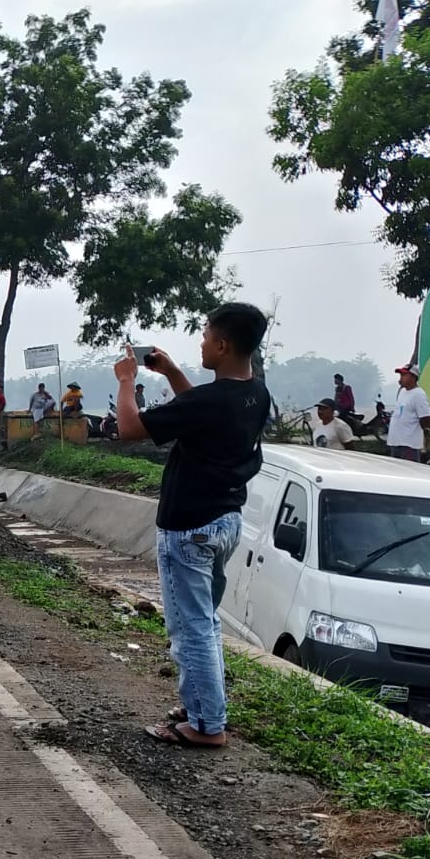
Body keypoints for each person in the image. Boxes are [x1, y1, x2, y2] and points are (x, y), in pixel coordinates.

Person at [114, 303, 272, 750]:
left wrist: (128, 381)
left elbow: (129, 427)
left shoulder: (209, 402)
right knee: (204, 622)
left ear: (222, 345)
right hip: (225, 522)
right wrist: (173, 374)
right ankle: (204, 705)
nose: (201, 342)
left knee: (191, 628)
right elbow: (200, 409)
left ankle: (206, 724)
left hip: (188, 528)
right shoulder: (255, 393)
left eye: (205, 336)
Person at [387, 363, 430, 462]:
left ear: (413, 377)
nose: (401, 378)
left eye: (404, 375)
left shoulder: (419, 394)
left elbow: (425, 418)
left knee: (409, 471)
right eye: (400, 375)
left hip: (409, 443)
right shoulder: (402, 392)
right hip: (396, 441)